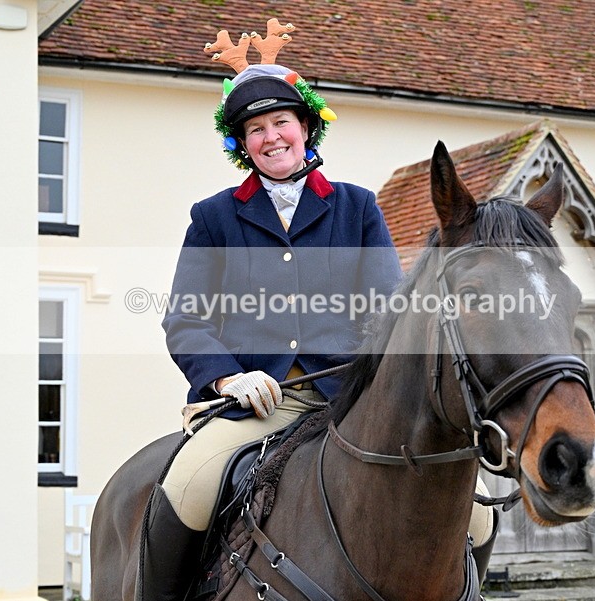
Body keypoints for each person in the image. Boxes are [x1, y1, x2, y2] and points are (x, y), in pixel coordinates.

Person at [136, 22, 403, 601]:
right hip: (260, 403)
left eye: (281, 121)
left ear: (306, 128)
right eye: (254, 129)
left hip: (352, 402)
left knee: (476, 513)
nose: (270, 136)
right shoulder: (214, 218)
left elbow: (388, 310)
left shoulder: (358, 207)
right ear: (242, 145)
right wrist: (228, 378)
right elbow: (185, 319)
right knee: (185, 487)